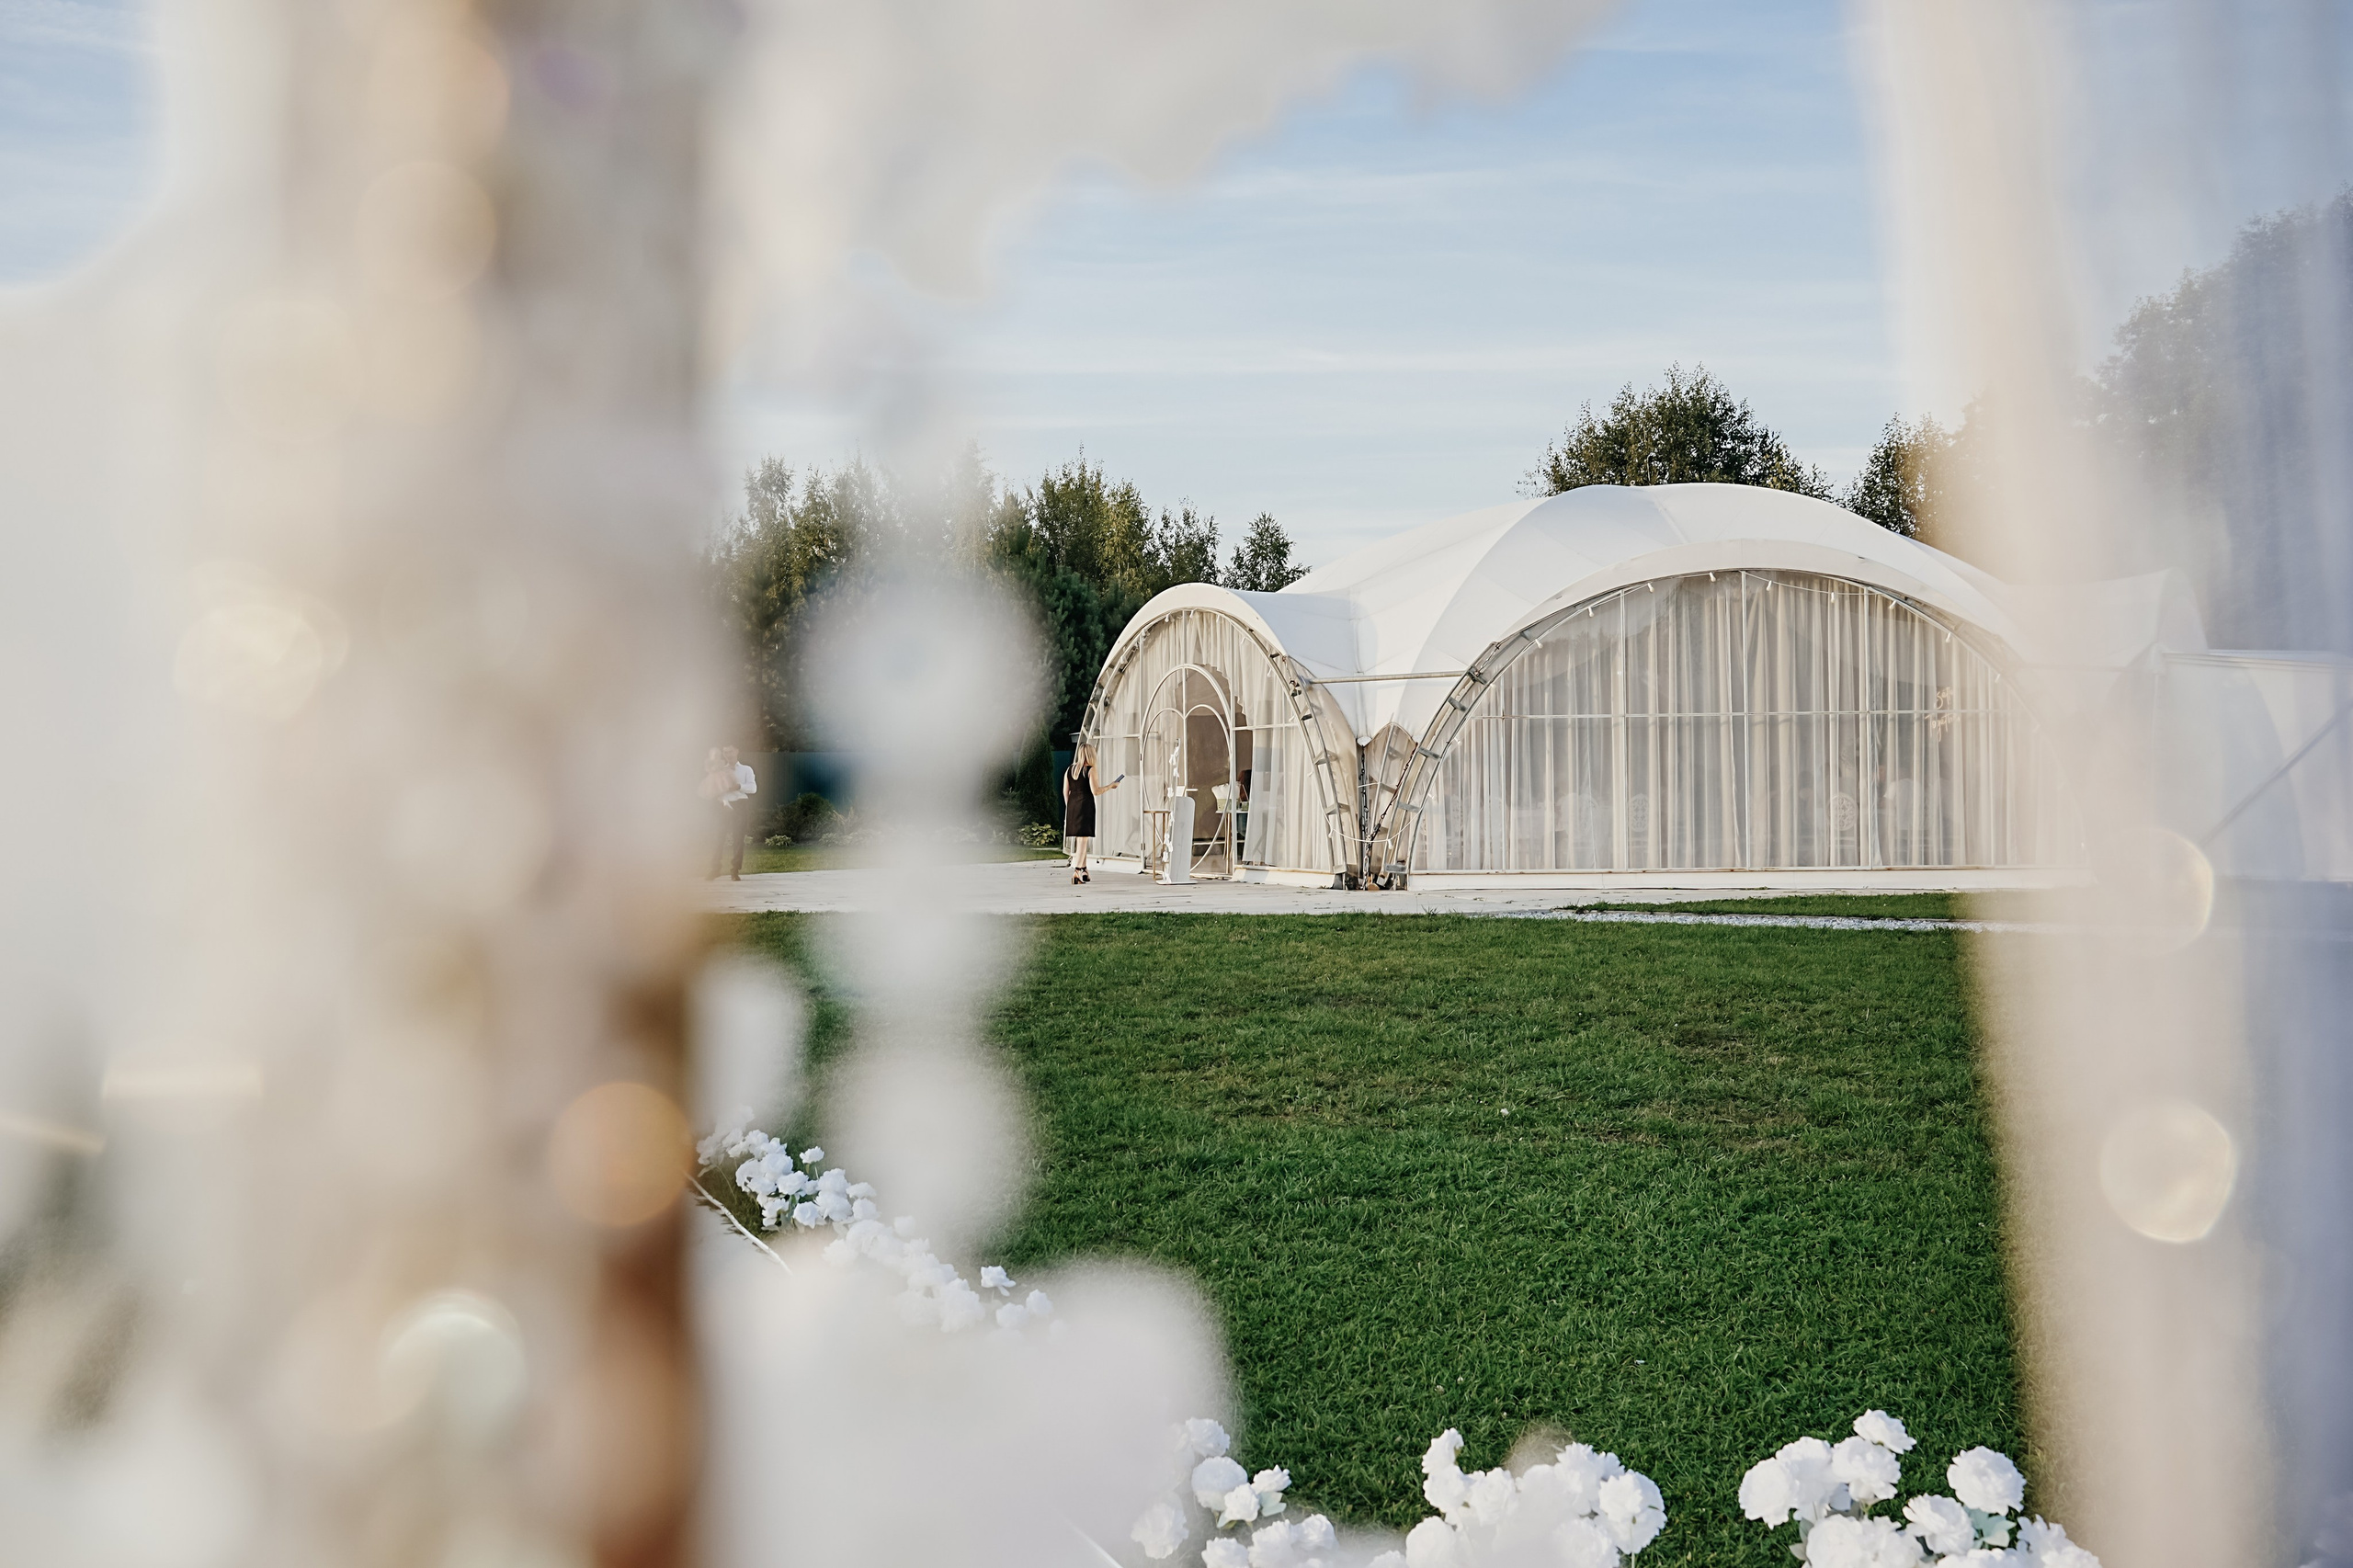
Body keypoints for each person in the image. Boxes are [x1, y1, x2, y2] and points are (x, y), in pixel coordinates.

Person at [1061, 742, 1120, 884]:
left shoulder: (1070, 769)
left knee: (1080, 839)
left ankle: (1085, 870)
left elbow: (1065, 791)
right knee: (1083, 840)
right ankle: (1077, 871)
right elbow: (1096, 791)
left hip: (1073, 806)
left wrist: (1070, 807)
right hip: (1085, 805)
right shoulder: (1090, 770)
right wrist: (1111, 786)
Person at [704, 744, 758, 880]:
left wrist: (738, 786)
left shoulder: (747, 769)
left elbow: (753, 788)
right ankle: (715, 870)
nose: (728, 754)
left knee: (738, 838)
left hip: (740, 805)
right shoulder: (720, 770)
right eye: (726, 752)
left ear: (737, 751)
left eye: (731, 751)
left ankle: (735, 871)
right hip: (724, 805)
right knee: (718, 837)